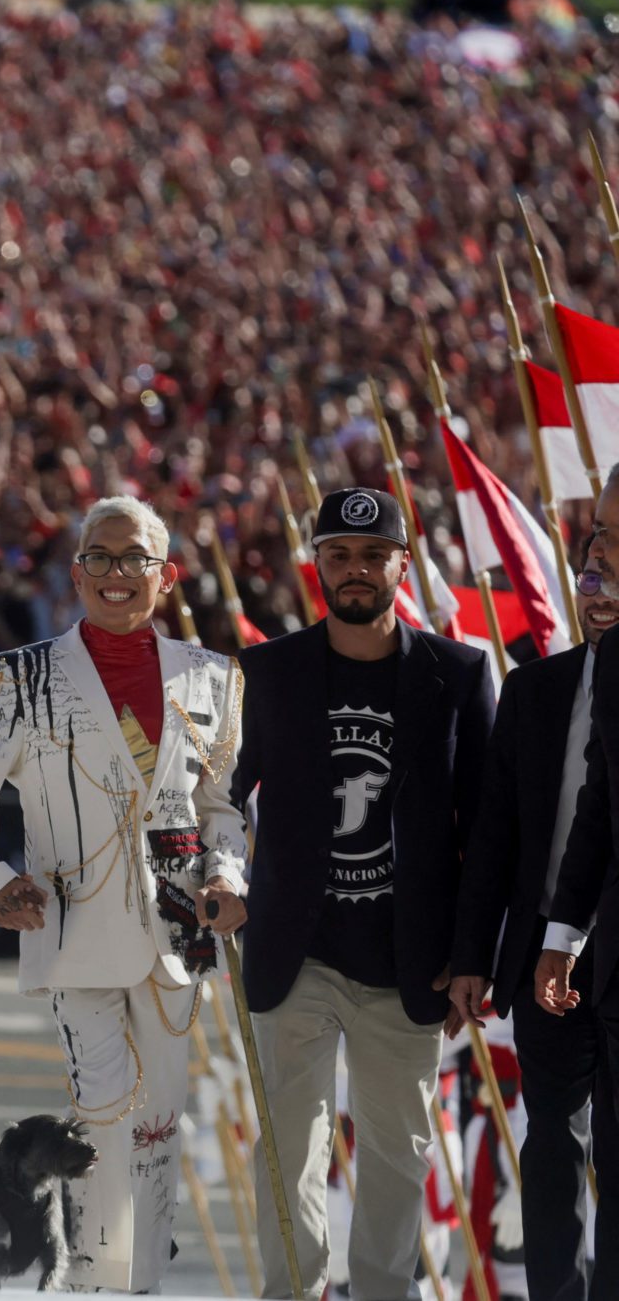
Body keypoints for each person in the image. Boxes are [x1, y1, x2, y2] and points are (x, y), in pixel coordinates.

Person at [0, 495, 250, 1293]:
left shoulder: (213, 676)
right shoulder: (22, 675)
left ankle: (134, 1283)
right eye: (99, 557)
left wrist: (227, 872)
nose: (115, 573)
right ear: (75, 572)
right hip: (73, 930)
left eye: (133, 558)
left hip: (182, 940)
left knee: (157, 1127)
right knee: (99, 1113)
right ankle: (92, 1283)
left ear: (165, 576)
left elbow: (220, 806)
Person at [234, 486, 493, 1300]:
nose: (355, 570)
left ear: (401, 565)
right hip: (294, 950)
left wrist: (471, 957)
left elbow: (486, 832)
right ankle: (293, 1292)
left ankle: (385, 1291)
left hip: (408, 961)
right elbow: (223, 793)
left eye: (373, 555)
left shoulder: (457, 673)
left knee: (395, 1151)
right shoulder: (268, 670)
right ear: (317, 561)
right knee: (287, 1146)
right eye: (339, 555)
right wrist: (215, 870)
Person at [453, 468, 619, 1301]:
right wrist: (472, 955)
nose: (598, 592)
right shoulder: (536, 690)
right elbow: (493, 840)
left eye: (613, 578)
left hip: (614, 955)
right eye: (591, 571)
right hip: (540, 960)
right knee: (552, 1141)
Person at [534, 473, 619, 1297]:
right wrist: (561, 935)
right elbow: (595, 814)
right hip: (591, 962)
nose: (602, 561)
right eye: (599, 538)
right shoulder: (596, 669)